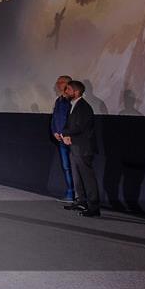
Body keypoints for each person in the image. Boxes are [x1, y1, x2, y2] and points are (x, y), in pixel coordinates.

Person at [60, 80, 99, 217]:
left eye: (68, 89)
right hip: (75, 147)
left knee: (87, 178)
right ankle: (81, 201)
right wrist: (65, 134)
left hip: (83, 148)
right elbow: (69, 125)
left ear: (76, 92)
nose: (66, 92)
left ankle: (94, 207)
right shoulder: (74, 105)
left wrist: (65, 133)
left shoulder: (84, 107)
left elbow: (79, 127)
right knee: (77, 177)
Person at [50, 75, 75, 203]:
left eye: (62, 82)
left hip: (71, 139)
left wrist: (66, 133)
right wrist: (54, 131)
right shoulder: (59, 100)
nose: (58, 84)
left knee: (74, 167)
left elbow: (72, 120)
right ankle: (70, 193)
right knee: (66, 167)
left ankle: (78, 195)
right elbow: (55, 118)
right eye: (58, 82)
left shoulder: (72, 101)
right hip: (60, 139)